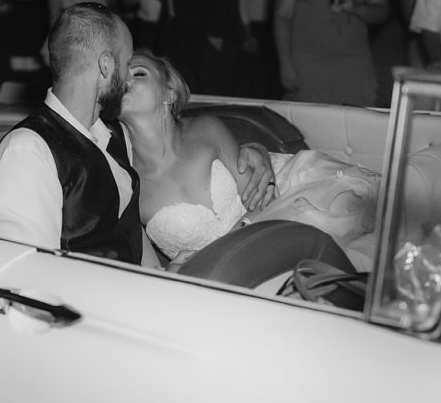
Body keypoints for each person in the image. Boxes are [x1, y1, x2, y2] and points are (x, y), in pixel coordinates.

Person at [0, 3, 274, 266]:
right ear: (106, 66)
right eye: (126, 64)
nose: (128, 78)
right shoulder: (28, 151)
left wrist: (255, 151)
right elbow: (26, 278)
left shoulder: (115, 137)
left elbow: (130, 234)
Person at [120, 48, 380, 269]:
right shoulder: (125, 179)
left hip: (285, 201)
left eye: (138, 73)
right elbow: (154, 270)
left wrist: (224, 250)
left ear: (169, 93)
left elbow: (262, 203)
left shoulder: (206, 129)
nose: (126, 81)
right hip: (233, 271)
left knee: (369, 210)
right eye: (119, 77)